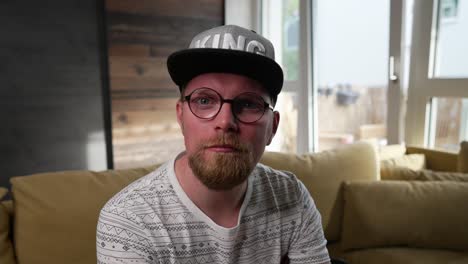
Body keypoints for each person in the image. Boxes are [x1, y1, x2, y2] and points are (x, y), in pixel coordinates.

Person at [96, 25, 330, 264]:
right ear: (181, 116)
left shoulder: (292, 196)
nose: (225, 121)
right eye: (204, 100)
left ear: (273, 127)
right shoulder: (128, 220)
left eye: (249, 104)